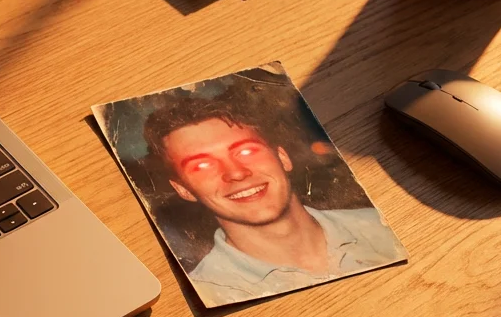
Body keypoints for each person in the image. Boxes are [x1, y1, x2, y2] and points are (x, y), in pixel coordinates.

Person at [144, 96, 405, 305]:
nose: (236, 172)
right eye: (201, 166)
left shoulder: (382, 227)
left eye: (246, 151)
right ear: (184, 190)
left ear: (283, 158)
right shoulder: (214, 291)